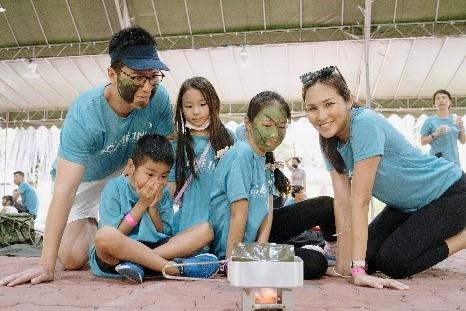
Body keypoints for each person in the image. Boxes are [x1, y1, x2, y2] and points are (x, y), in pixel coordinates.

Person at [0, 26, 174, 287]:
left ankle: (136, 248)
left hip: (125, 171)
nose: (147, 87)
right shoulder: (86, 113)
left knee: (150, 207)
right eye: (138, 78)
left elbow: (164, 155)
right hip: (84, 180)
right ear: (112, 74)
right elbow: (65, 190)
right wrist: (46, 266)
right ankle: (104, 233)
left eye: (153, 77)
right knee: (71, 258)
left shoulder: (159, 100)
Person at [301, 65, 466, 289]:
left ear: (349, 100)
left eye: (329, 104)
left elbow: (360, 201)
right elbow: (343, 201)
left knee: (394, 263)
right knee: (365, 258)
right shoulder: (328, 140)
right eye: (312, 108)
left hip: (450, 192)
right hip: (405, 206)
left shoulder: (364, 123)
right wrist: (344, 267)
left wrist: (357, 271)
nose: (321, 116)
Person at [209, 91, 339, 279]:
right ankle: (302, 249)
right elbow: (238, 214)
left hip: (257, 241)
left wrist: (262, 248)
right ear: (248, 124)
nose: (274, 133)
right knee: (316, 263)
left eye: (281, 126)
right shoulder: (242, 154)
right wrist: (233, 262)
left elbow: (267, 211)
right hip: (235, 246)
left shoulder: (264, 156)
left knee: (326, 204)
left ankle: (325, 248)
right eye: (267, 125)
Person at [90, 134, 219, 283]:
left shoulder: (162, 193)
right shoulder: (114, 188)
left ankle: (140, 264)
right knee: (104, 236)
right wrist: (142, 204)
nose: (157, 181)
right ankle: (173, 268)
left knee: (206, 230)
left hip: (154, 247)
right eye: (150, 174)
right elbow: (118, 234)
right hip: (118, 256)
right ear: (132, 167)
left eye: (164, 176)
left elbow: (163, 232)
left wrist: (153, 209)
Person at [168, 77, 235, 234]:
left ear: (213, 103)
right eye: (189, 106)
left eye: (202, 104)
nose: (196, 111)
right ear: (181, 109)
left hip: (223, 226)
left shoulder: (229, 139)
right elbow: (170, 187)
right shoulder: (177, 146)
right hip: (189, 226)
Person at [420, 89, 466, 167]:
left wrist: (461, 128)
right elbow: (422, 142)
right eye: (437, 98)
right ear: (434, 104)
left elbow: (463, 141)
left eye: (444, 97)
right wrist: (435, 134)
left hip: (454, 163)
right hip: (437, 162)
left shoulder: (456, 119)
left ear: (450, 102)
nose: (441, 100)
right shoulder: (429, 121)